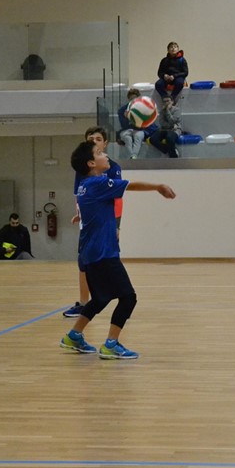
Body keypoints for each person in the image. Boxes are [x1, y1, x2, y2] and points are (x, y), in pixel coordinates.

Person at [59, 140, 176, 359]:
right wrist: (157, 186)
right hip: (103, 254)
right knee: (128, 298)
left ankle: (74, 336)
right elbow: (130, 185)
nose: (105, 155)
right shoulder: (98, 183)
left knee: (100, 299)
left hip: (90, 253)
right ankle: (111, 345)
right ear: (91, 163)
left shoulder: (85, 185)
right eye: (99, 153)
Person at [63, 126, 123, 318]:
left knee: (110, 261)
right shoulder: (83, 169)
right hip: (88, 225)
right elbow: (80, 194)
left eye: (98, 139)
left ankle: (123, 300)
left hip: (106, 224)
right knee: (83, 262)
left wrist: (117, 225)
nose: (94, 141)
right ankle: (83, 303)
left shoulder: (112, 167)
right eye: (91, 139)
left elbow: (118, 199)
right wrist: (80, 214)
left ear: (105, 143)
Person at [117, 88, 146, 159]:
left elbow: (142, 124)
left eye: (135, 98)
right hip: (126, 130)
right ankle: (132, 156)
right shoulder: (122, 110)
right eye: (131, 99)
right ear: (128, 99)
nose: (133, 100)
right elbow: (123, 125)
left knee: (138, 137)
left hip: (139, 130)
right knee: (127, 138)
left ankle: (133, 156)